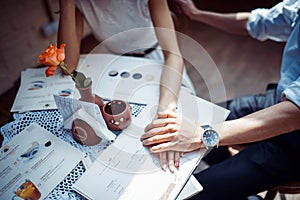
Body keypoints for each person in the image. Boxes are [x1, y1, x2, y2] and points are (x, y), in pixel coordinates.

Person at [141, 0, 300, 199]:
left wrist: (202, 134)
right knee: (191, 123)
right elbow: (257, 22)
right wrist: (197, 13)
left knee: (190, 194)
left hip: (295, 139)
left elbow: (293, 115)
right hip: (278, 101)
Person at [57, 0, 195, 172]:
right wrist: (67, 5)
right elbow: (67, 65)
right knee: (131, 146)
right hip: (119, 66)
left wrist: (165, 111)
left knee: (170, 138)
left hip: (160, 64)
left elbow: (174, 55)